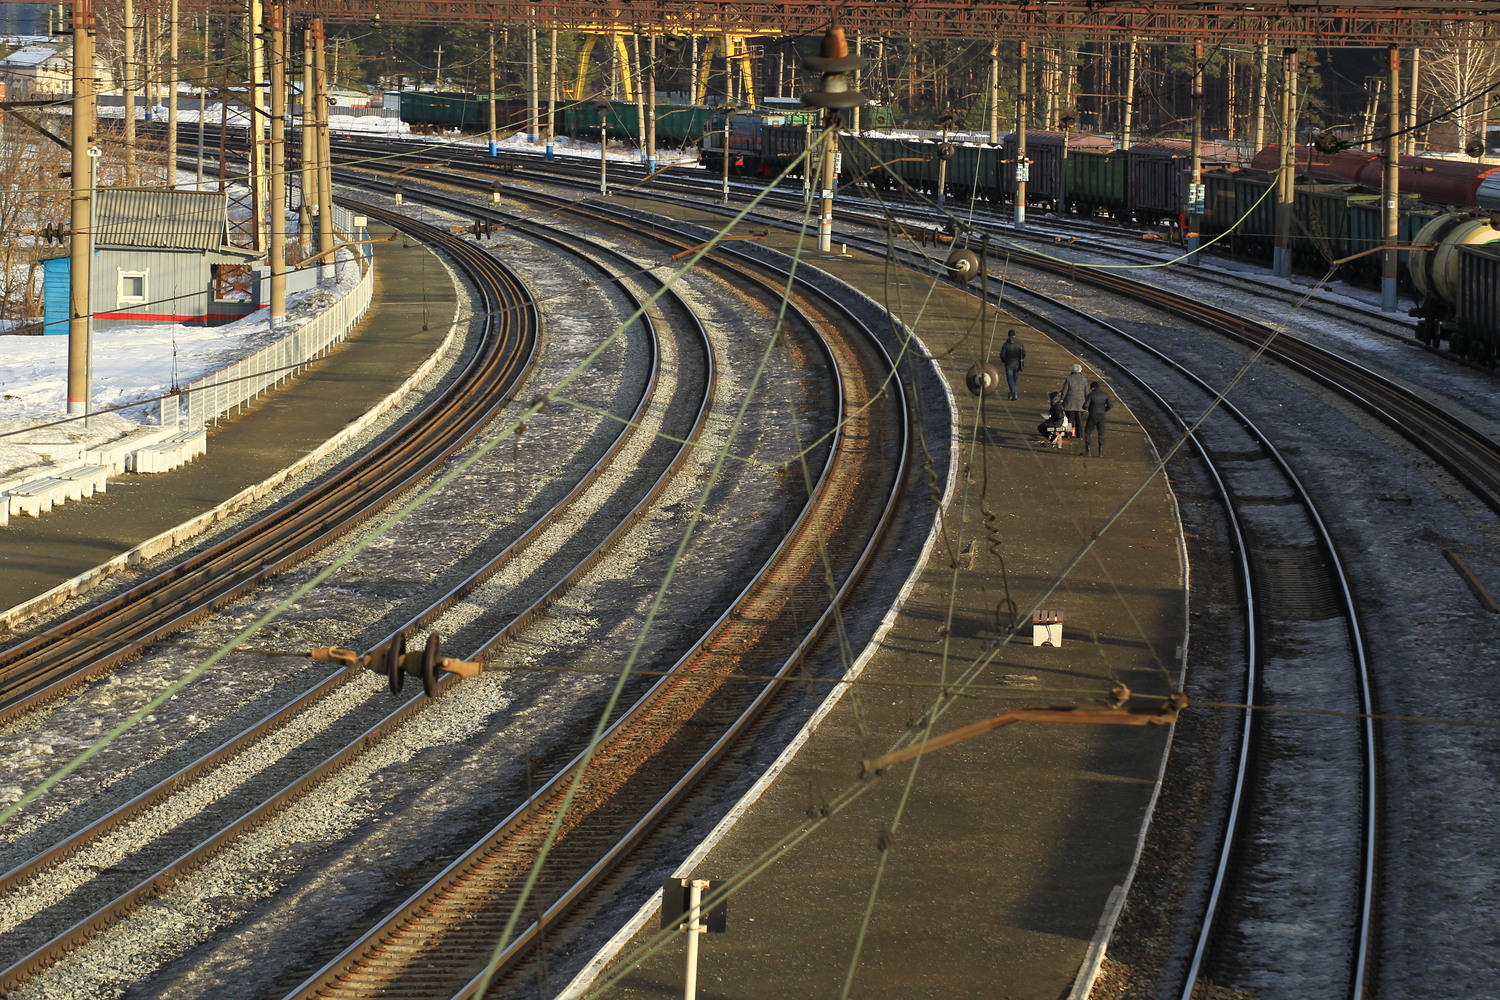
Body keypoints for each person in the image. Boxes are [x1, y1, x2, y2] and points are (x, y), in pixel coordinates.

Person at [1081, 381, 1113, 457]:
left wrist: (1086, 408)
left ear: (1092, 388)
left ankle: (1088, 451)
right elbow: (1110, 406)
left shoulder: (1091, 395)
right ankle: (1100, 453)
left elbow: (1085, 405)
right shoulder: (1105, 394)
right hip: (1102, 416)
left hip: (1093, 415)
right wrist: (1103, 410)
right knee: (1101, 433)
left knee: (1088, 432)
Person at [1059, 363, 1089, 439]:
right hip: (1080, 403)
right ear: (1080, 370)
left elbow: (1064, 391)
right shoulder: (1084, 379)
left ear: (1072, 370)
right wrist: (1088, 402)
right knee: (1079, 420)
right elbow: (1086, 392)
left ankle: (1068, 434)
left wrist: (1061, 399)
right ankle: (1080, 435)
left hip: (1069, 403)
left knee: (1070, 420)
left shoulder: (1069, 379)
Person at [999, 329, 1026, 400]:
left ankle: (1014, 393)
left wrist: (1004, 361)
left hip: (1008, 364)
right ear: (1015, 335)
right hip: (1017, 364)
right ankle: (1012, 394)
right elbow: (1023, 353)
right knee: (1014, 380)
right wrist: (1021, 359)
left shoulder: (1005, 345)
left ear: (1008, 336)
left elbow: (1002, 355)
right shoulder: (1020, 343)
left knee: (1010, 379)